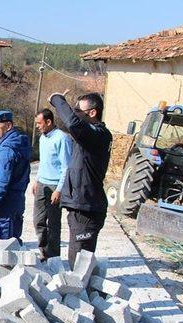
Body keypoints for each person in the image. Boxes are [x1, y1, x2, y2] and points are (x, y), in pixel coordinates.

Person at [49, 91, 112, 268]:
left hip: (87, 209)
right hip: (81, 205)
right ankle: (78, 292)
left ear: (92, 112)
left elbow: (73, 124)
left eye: (78, 110)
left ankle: (80, 294)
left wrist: (57, 99)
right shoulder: (90, 136)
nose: (75, 113)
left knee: (79, 264)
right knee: (76, 260)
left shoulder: (99, 135)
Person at [0, 110, 32, 243]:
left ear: (8, 126)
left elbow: (1, 182)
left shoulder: (6, 150)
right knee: (13, 250)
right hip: (16, 205)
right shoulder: (19, 145)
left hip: (3, 210)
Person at [32, 108, 73, 260]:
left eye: (39, 123)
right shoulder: (43, 138)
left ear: (48, 122)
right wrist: (36, 180)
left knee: (53, 224)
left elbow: (66, 167)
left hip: (55, 186)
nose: (37, 126)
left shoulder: (62, 139)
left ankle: (53, 257)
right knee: (38, 220)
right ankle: (44, 252)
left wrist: (59, 190)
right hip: (42, 184)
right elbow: (43, 162)